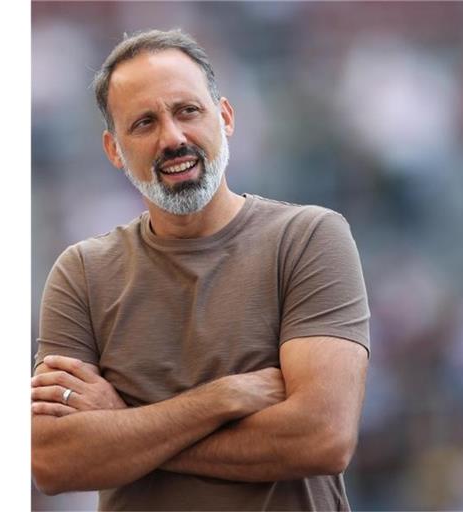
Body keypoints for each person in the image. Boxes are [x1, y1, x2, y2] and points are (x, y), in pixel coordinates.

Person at [30, 28, 370, 511]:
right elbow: (53, 462)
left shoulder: (308, 238)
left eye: (187, 111)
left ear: (225, 116)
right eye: (144, 123)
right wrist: (223, 399)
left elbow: (323, 438)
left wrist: (126, 425)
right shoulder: (82, 273)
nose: (172, 138)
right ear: (113, 149)